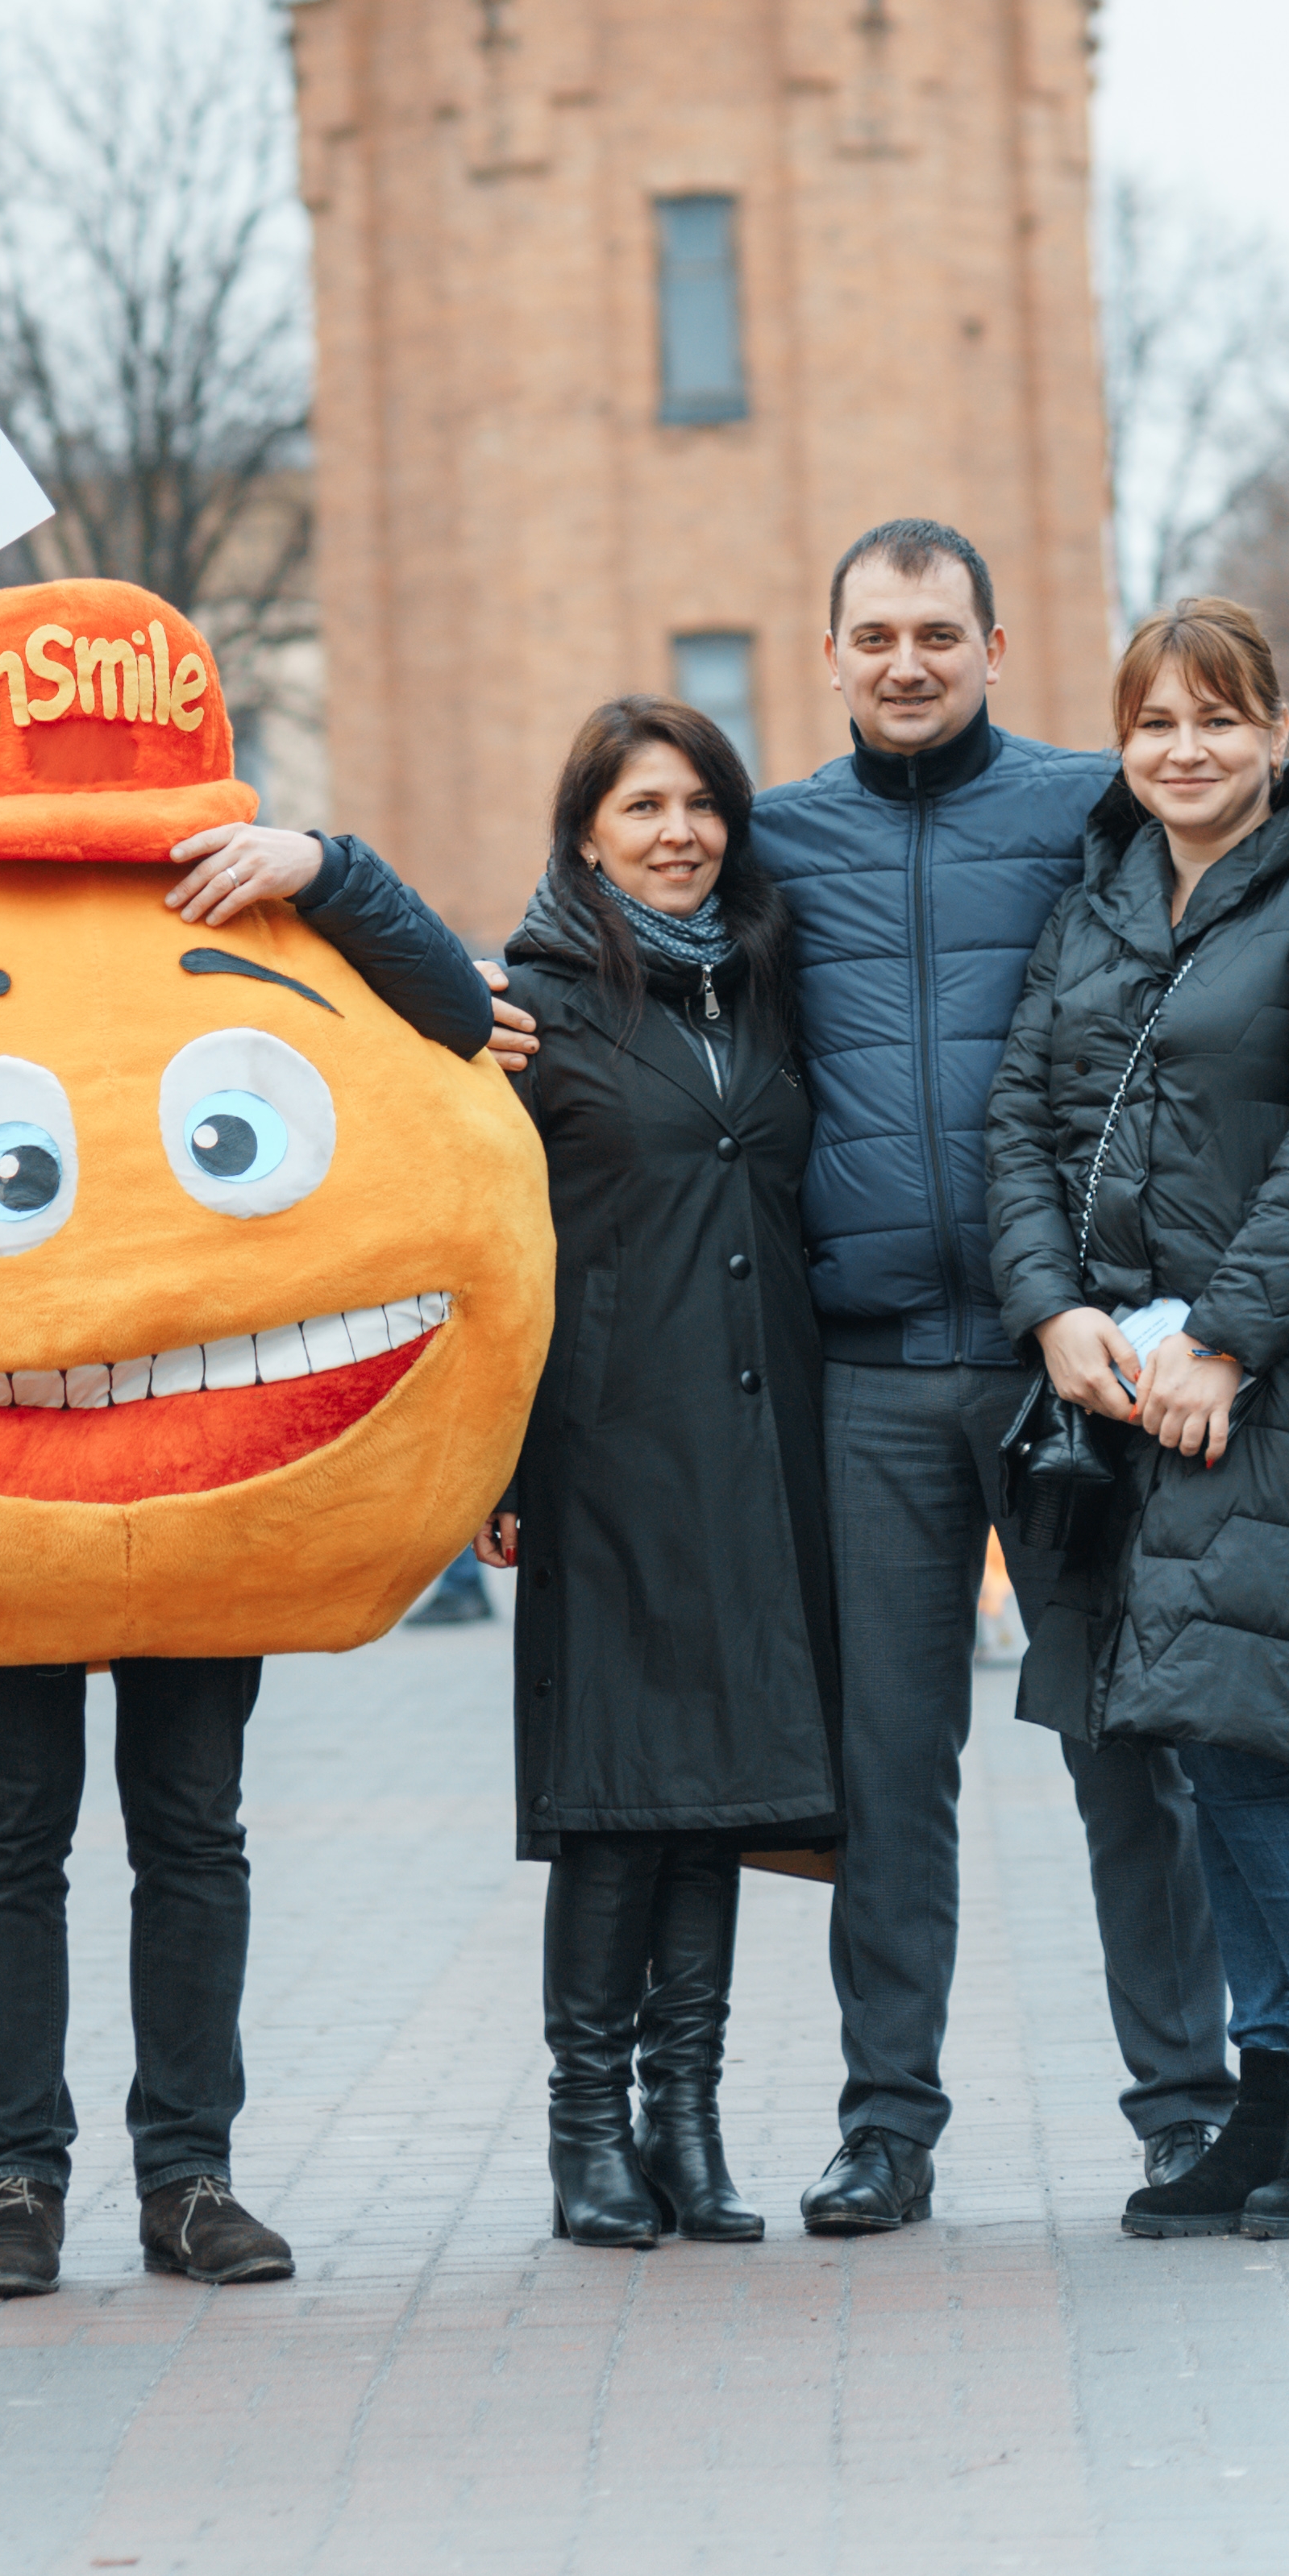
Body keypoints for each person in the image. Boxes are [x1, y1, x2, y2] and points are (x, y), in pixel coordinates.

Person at [0, 643, 497, 2304]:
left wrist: (326, 865)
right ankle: (17, 2181)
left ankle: (187, 2172)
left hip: (205, 1453)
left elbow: (458, 1016)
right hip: (8, 1447)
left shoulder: (242, 887)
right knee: (12, 1827)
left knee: (190, 1826)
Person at [751, 519, 1289, 2236]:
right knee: (888, 1767)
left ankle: (1190, 2106)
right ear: (829, 652)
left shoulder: (1087, 803)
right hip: (885, 1365)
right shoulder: (773, 841)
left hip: (1092, 1384)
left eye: (940, 630)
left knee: (1142, 1744)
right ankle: (885, 2124)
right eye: (874, 634)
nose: (906, 660)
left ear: (995, 649)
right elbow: (606, 920)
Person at [984, 596, 1289, 2240]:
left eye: (1215, 721)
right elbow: (1020, 1118)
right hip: (1125, 1378)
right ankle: (1287, 2088)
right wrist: (1053, 1311)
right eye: (1153, 725)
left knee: (1250, 1732)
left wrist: (1229, 1342)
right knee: (1186, 1726)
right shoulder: (1101, 896)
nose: (1182, 752)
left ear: (1272, 732)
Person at [478, 696, 836, 2247]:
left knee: (723, 1795)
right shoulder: (527, 1005)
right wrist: (486, 1455)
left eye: (699, 804)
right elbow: (477, 1248)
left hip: (762, 1443)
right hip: (605, 1443)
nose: (679, 832)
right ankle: (586, 2134)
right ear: (585, 834)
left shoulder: (761, 987)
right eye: (643, 808)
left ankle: (686, 2123)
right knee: (620, 1795)